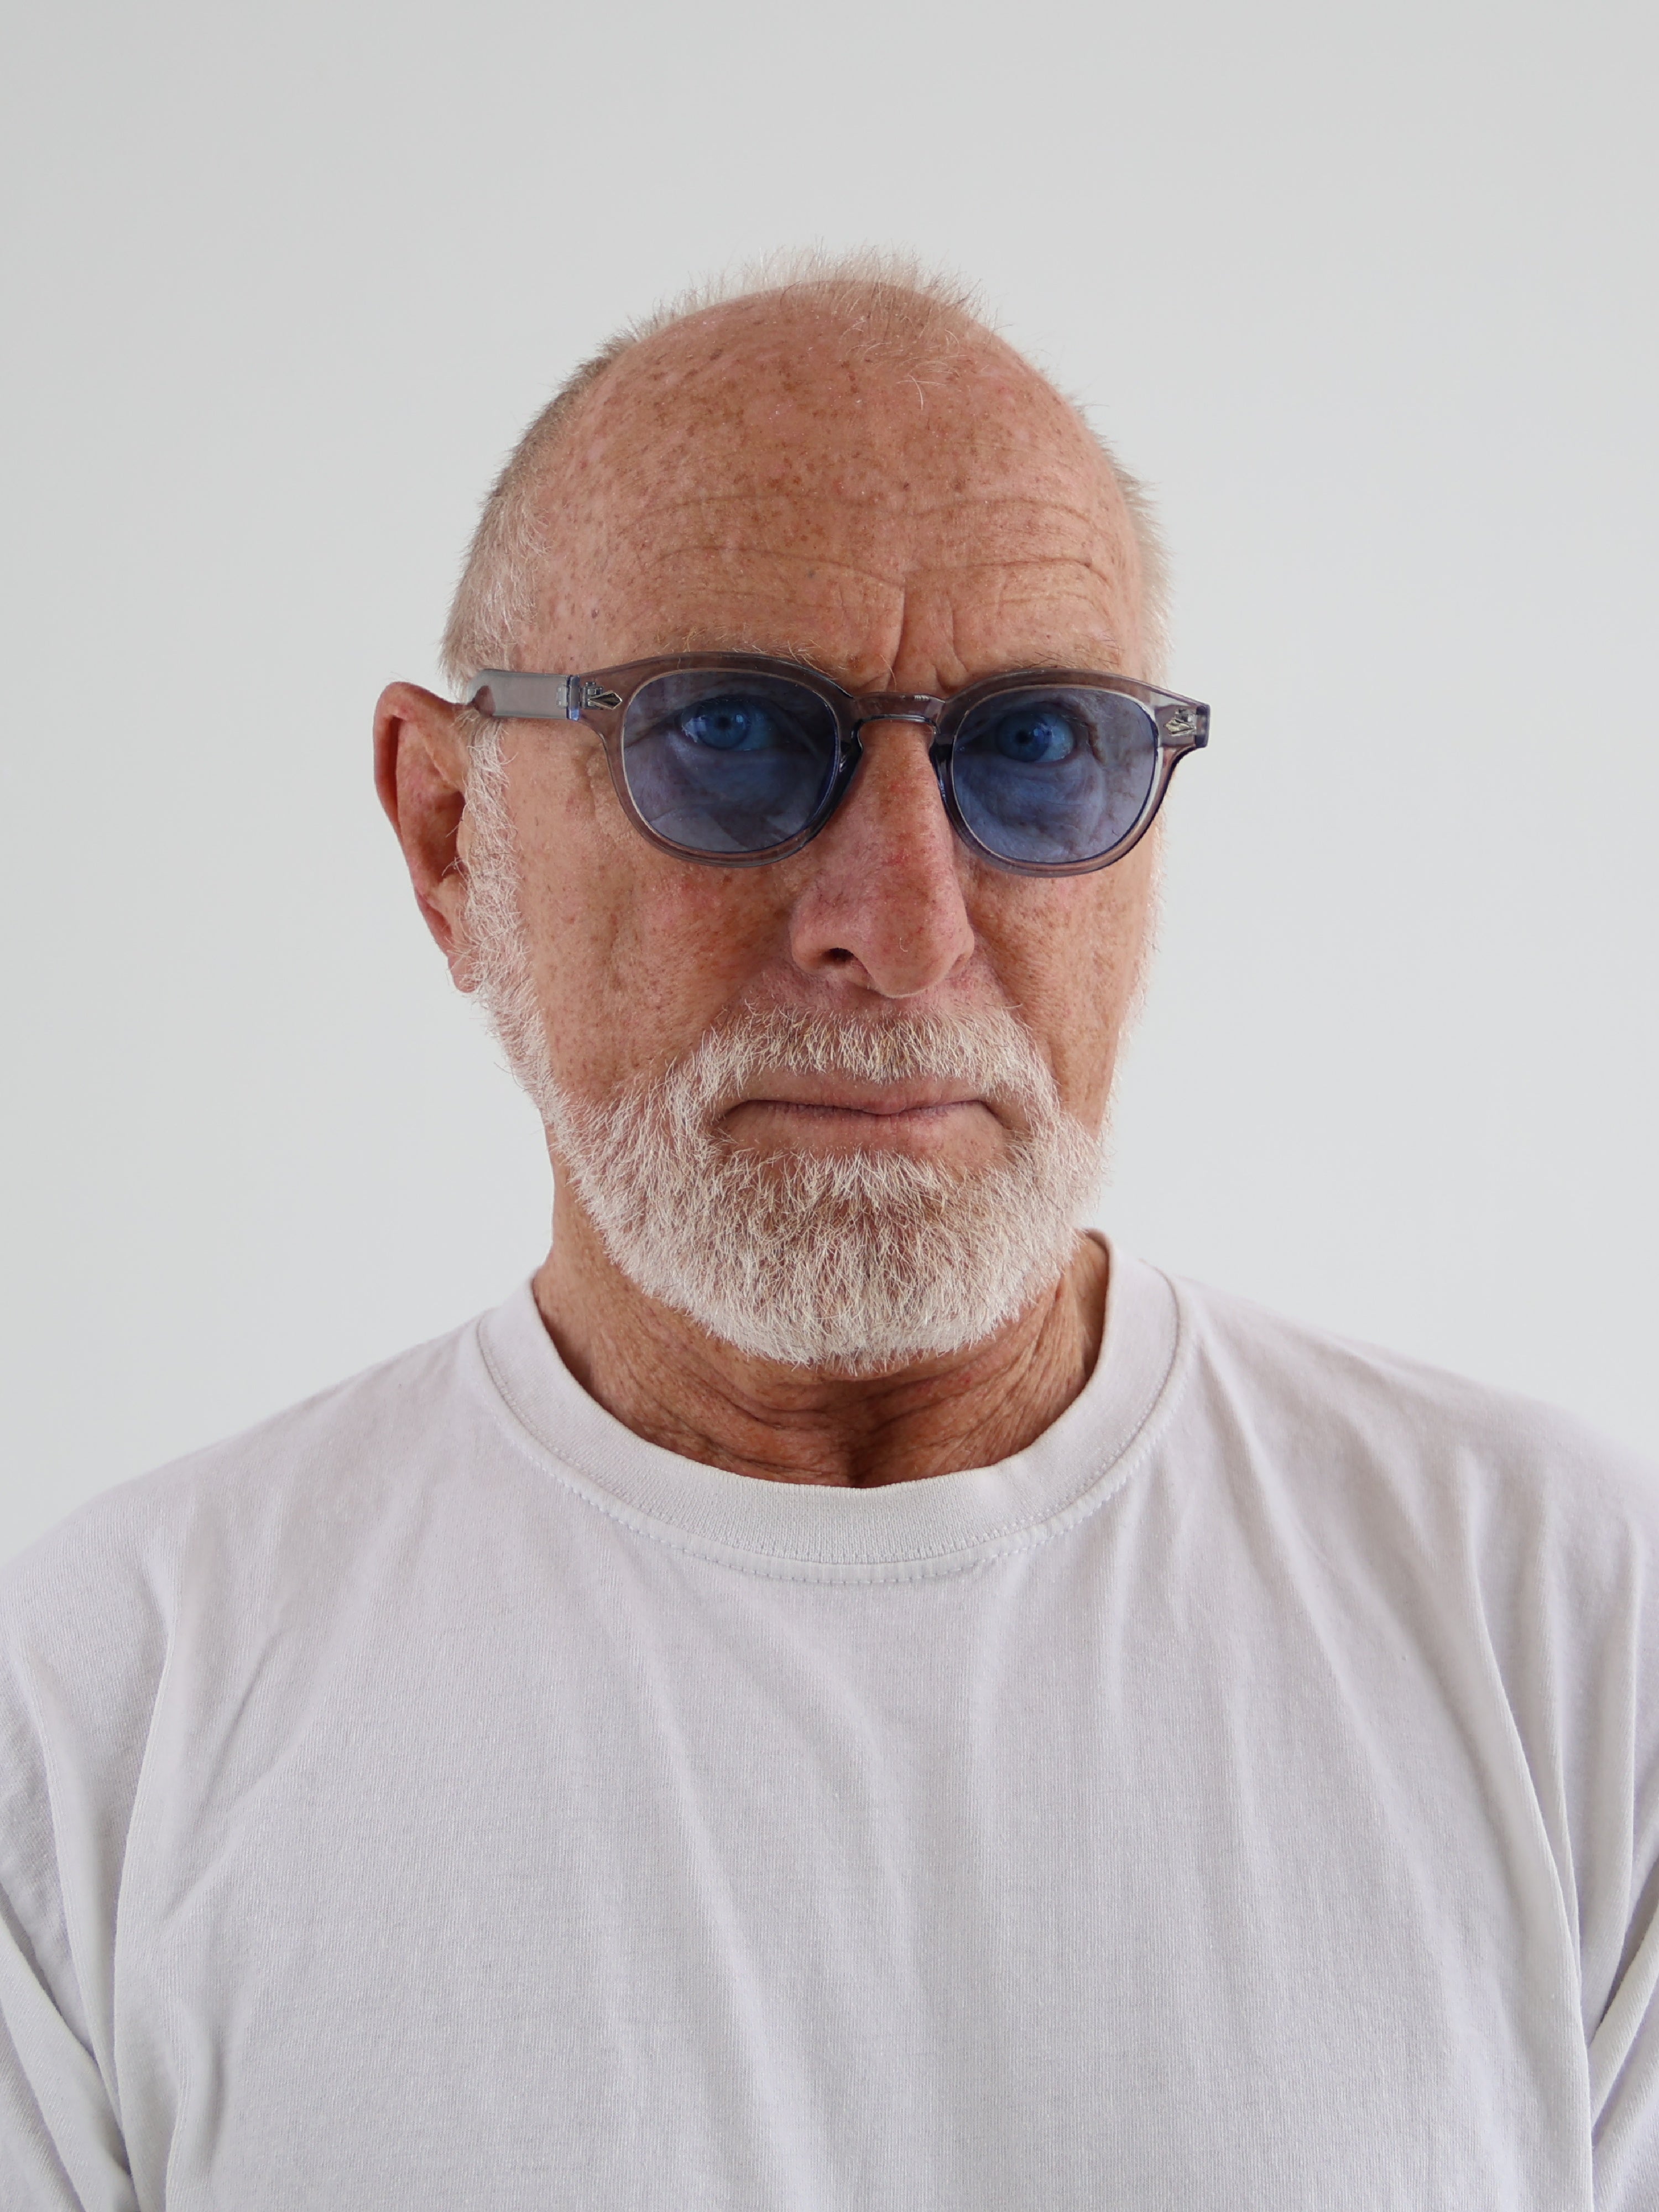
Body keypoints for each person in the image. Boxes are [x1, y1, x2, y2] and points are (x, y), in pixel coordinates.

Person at [2, 257, 1655, 2210]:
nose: (905, 926)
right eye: (725, 737)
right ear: (452, 838)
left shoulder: (1565, 1629)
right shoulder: (106, 1710)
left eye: (1039, 750)